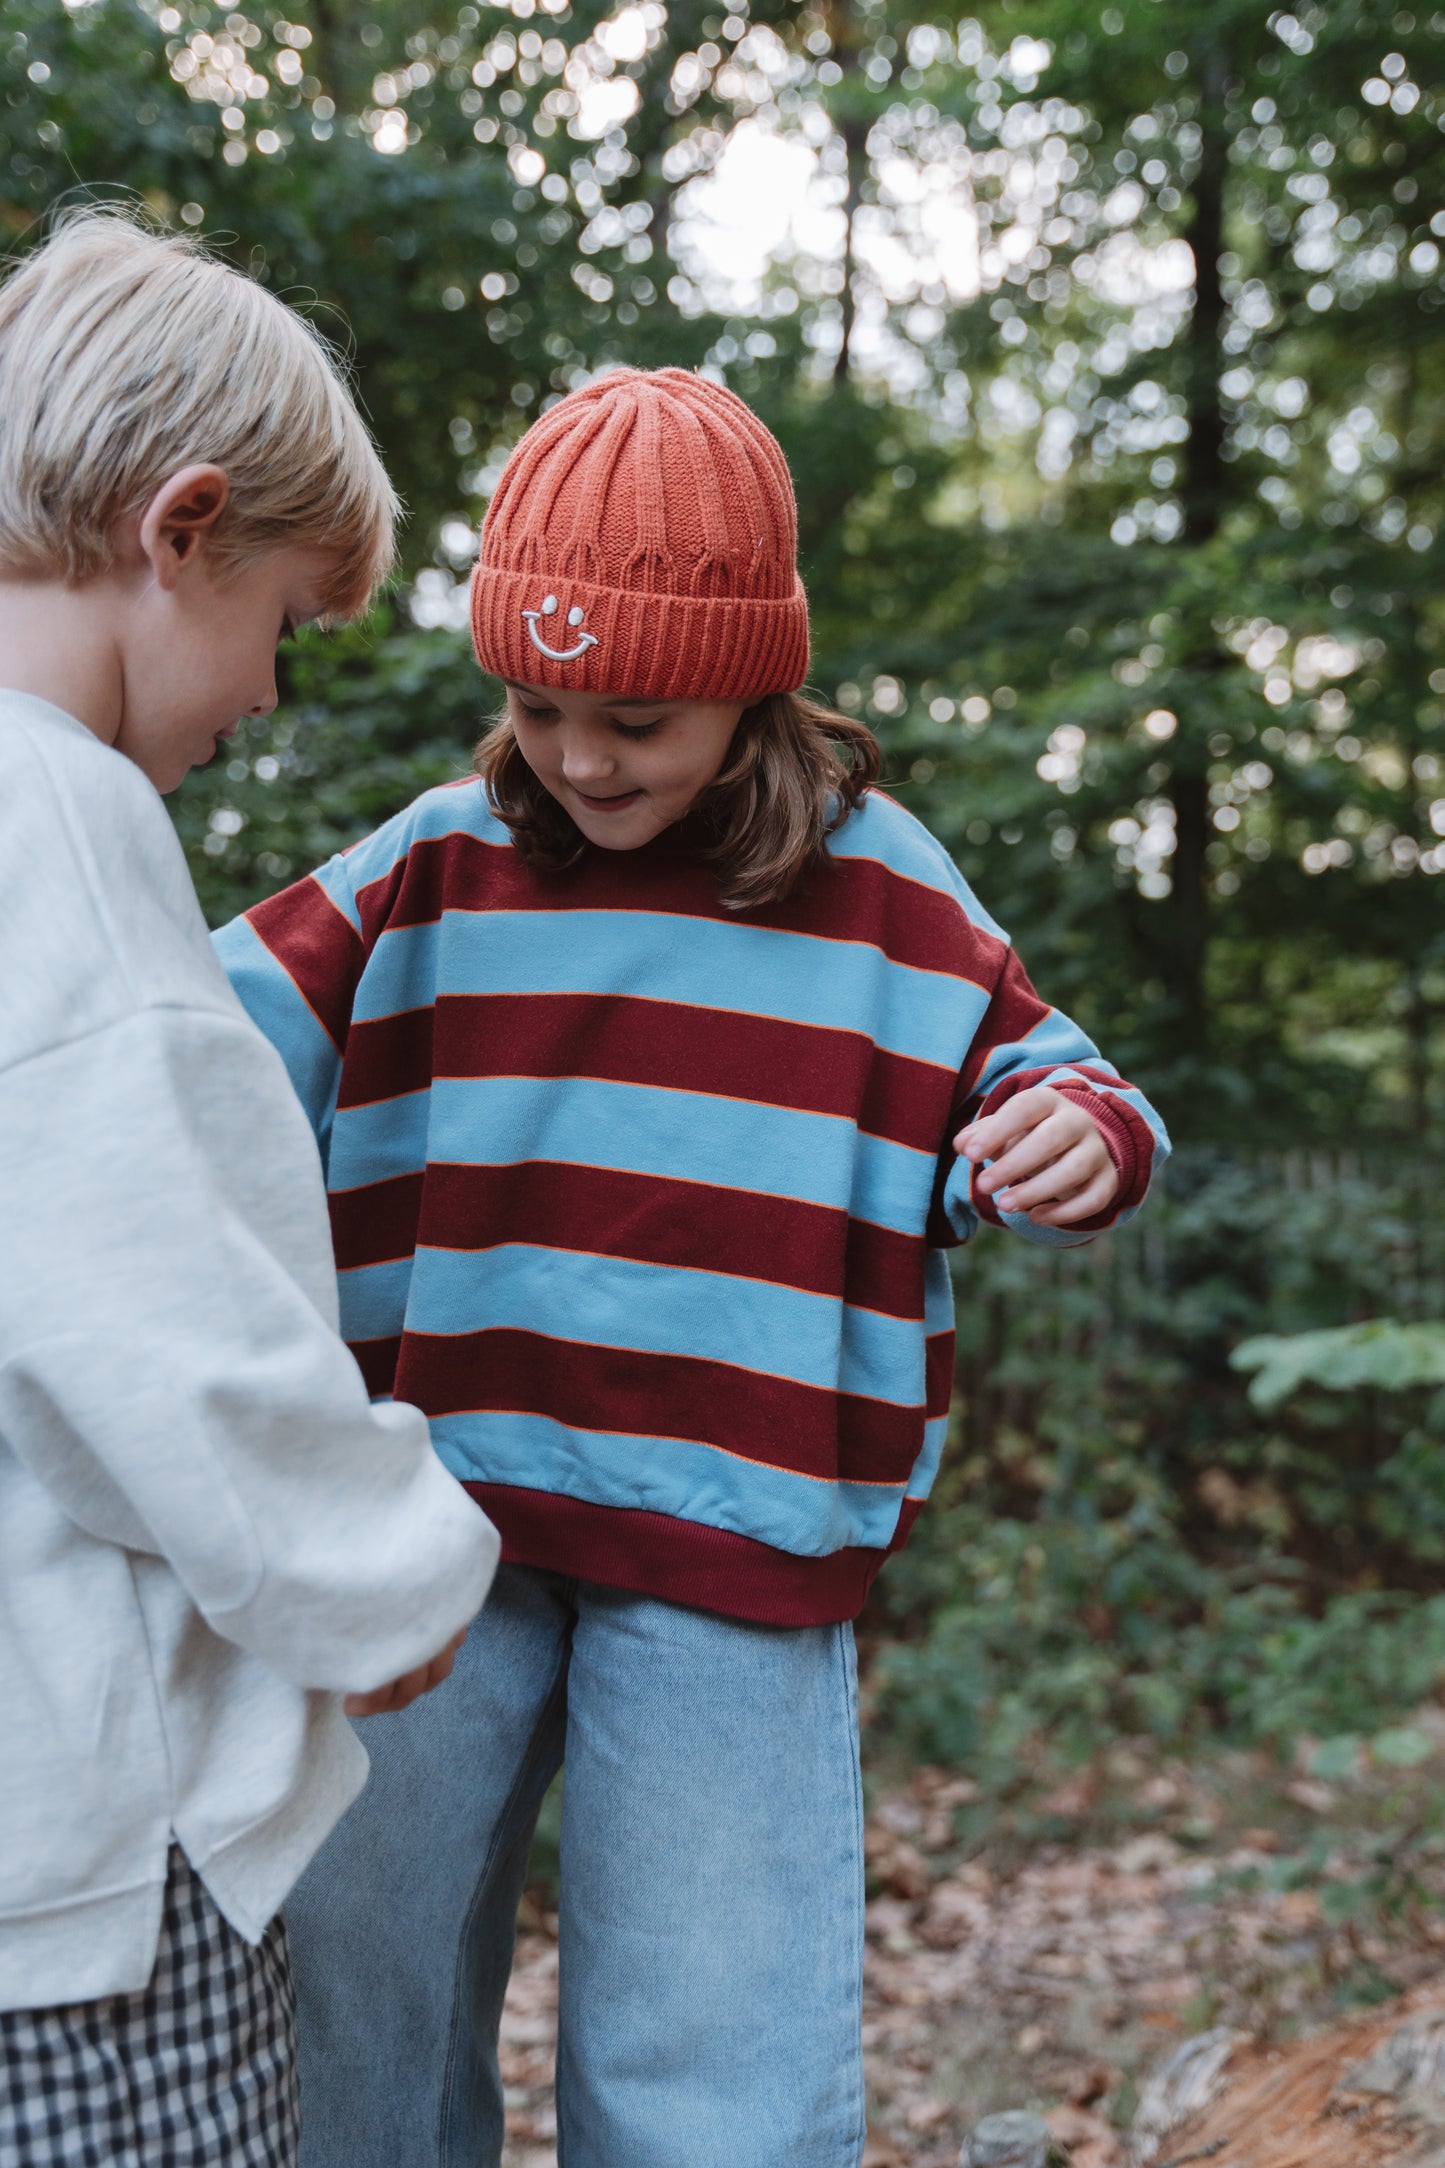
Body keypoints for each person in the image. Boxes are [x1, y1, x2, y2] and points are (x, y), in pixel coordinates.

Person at [218, 367, 1170, 2168]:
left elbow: (1063, 1080)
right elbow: (191, 1038)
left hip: (738, 1528)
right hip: (431, 1518)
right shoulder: (439, 860)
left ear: (753, 681)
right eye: (537, 705)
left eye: (636, 718)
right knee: (353, 1977)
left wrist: (1073, 1137)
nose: (579, 759)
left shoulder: (884, 892)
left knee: (715, 2039)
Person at [0, 211, 499, 2168]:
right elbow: (150, 1307)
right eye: (284, 624)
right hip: (93, 1870)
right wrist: (387, 1570)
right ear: (182, 527)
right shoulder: (57, 820)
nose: (273, 697)